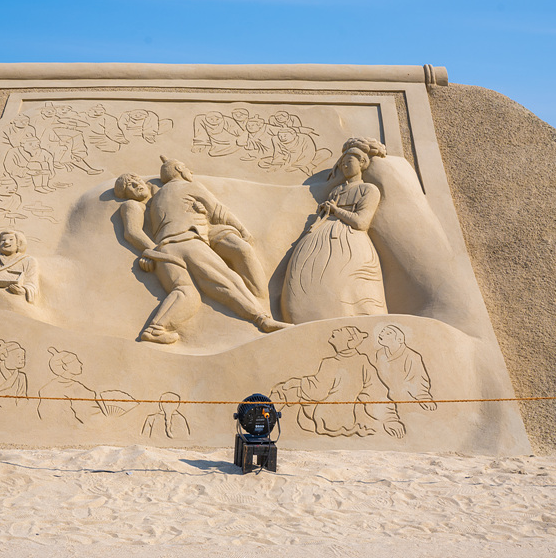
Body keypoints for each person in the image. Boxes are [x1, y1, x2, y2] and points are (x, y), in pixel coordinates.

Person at [114, 157, 286, 344]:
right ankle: (263, 319)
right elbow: (132, 233)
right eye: (130, 186)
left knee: (186, 293)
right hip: (188, 243)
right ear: (180, 169)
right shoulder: (168, 192)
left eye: (136, 180)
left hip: (168, 249)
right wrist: (243, 230)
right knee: (228, 281)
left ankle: (156, 328)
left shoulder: (157, 197)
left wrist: (154, 253)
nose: (191, 172)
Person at [281, 137, 388, 323]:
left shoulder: (368, 190)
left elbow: (362, 223)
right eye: (343, 164)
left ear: (362, 163)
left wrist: (336, 210)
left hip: (350, 242)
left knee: (347, 282)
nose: (345, 167)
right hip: (322, 238)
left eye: (349, 162)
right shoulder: (336, 191)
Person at [271, 326, 377, 437]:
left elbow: (318, 390)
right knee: (292, 390)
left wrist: (295, 382)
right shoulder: (363, 360)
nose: (335, 330)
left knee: (284, 390)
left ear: (349, 340)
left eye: (340, 330)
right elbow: (374, 388)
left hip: (325, 416)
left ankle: (262, 422)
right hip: (347, 419)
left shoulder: (331, 362)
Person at [370, 324, 436, 438]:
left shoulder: (411, 356)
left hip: (405, 398)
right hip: (385, 398)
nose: (382, 334)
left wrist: (423, 396)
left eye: (388, 333)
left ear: (399, 339)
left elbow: (418, 377)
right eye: (382, 331)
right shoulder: (380, 353)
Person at [0, 230, 40, 303]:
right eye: (3, 240)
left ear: (18, 243)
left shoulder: (28, 261)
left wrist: (23, 290)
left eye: (11, 240)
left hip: (15, 303)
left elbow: (32, 285)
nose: (6, 242)